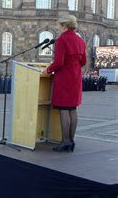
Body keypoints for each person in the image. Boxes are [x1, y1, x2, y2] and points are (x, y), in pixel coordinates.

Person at [43, 15, 86, 152]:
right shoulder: (80, 40)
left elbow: (59, 62)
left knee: (63, 109)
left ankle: (65, 141)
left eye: (60, 25)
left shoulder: (62, 40)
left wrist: (48, 69)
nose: (59, 28)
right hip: (76, 77)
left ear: (65, 26)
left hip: (64, 78)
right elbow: (83, 62)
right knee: (72, 109)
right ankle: (71, 141)